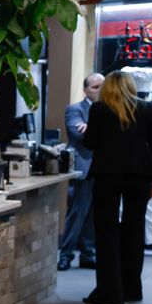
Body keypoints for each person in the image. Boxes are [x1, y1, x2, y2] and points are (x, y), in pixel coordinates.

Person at [81, 70, 152, 304]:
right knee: (134, 229)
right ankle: (132, 288)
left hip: (107, 175)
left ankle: (110, 292)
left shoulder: (99, 110)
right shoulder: (146, 108)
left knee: (106, 230)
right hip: (140, 175)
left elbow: (90, 143)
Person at [58, 72, 103, 271]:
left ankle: (88, 255)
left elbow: (105, 137)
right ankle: (65, 255)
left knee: (93, 215)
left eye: (102, 86)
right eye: (95, 87)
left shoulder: (107, 110)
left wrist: (92, 129)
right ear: (85, 90)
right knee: (77, 213)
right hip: (83, 168)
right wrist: (99, 133)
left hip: (101, 169)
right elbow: (79, 135)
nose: (99, 90)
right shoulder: (74, 109)